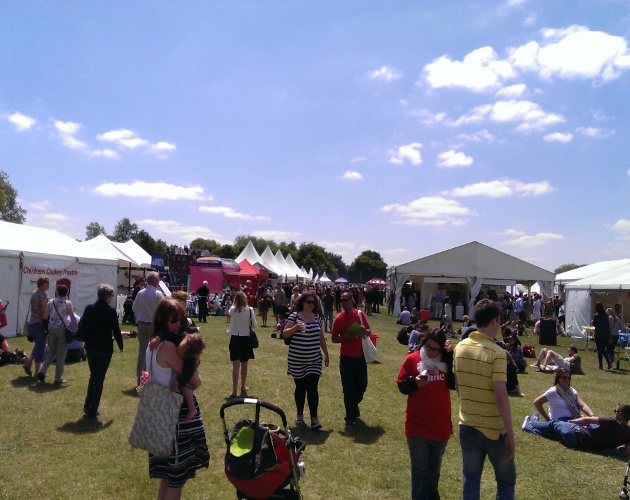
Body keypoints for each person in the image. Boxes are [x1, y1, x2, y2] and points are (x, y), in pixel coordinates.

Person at [453, 298, 516, 499]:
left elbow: (458, 386)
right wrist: (511, 433)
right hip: (495, 430)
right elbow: (500, 395)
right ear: (495, 321)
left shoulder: (460, 347)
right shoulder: (497, 353)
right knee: (505, 482)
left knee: (470, 483)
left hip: (468, 424)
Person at [148, 298, 209, 498]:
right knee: (177, 477)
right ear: (163, 320)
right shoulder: (168, 347)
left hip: (158, 409)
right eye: (174, 320)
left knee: (167, 475)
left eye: (180, 320)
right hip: (174, 413)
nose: (178, 325)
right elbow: (195, 380)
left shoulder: (153, 344)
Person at [397, 329, 455, 500]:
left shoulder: (446, 362)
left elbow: (452, 384)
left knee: (433, 473)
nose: (430, 352)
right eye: (428, 347)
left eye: (435, 349)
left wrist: (450, 357)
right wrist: (413, 383)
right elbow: (401, 386)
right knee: (420, 471)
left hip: (440, 427)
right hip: (417, 425)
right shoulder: (413, 359)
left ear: (441, 350)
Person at [282, 291, 330, 430]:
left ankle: (314, 418)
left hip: (314, 359)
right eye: (308, 302)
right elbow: (285, 333)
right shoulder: (294, 316)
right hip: (296, 360)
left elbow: (321, 337)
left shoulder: (317, 318)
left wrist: (326, 354)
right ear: (302, 302)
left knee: (312, 387)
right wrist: (296, 327)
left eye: (313, 302)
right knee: (300, 388)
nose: (311, 304)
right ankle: (300, 414)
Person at [79, 284, 124, 417]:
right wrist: (120, 344)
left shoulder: (89, 308)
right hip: (104, 347)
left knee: (93, 375)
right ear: (107, 296)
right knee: (99, 378)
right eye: (111, 296)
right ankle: (93, 407)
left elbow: (82, 324)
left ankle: (88, 403)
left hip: (91, 346)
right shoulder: (110, 311)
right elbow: (116, 330)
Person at [522, 403, 630, 455]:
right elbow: (627, 451)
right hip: (582, 444)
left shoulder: (611, 422)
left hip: (575, 433)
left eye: (615, 411)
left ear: (620, 414)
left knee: (555, 423)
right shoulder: (628, 433)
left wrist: (573, 422)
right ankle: (529, 428)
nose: (614, 413)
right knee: (556, 435)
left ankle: (534, 422)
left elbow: (587, 420)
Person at [331, 290, 371, 427]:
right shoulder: (339, 319)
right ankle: (350, 417)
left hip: (360, 357)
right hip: (346, 359)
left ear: (352, 300)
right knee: (348, 389)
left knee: (362, 386)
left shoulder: (360, 315)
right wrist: (346, 337)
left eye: (346, 299)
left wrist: (363, 331)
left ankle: (353, 406)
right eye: (342, 300)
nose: (344, 302)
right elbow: (334, 338)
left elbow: (369, 330)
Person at [37, 284, 78, 384]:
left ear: (57, 292)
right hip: (62, 328)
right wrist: (77, 328)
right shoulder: (67, 303)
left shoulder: (51, 302)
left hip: (51, 328)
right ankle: (58, 377)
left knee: (51, 351)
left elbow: (45, 316)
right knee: (61, 353)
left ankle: (42, 371)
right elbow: (72, 317)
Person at [527, 369, 594, 426]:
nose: (567, 380)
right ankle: (533, 423)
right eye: (564, 377)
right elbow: (537, 402)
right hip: (559, 420)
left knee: (594, 424)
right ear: (558, 378)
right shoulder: (553, 391)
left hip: (574, 418)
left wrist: (592, 416)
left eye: (568, 378)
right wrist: (547, 419)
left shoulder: (572, 391)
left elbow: (582, 405)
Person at [133, 272, 164, 386]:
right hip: (153, 326)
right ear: (155, 281)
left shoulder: (140, 293)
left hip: (141, 324)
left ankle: (141, 381)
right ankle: (150, 380)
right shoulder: (158, 294)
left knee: (142, 353)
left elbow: (134, 308)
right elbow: (163, 311)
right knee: (153, 354)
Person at [227, 291, 256, 398]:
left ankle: (234, 390)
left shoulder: (232, 310)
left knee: (235, 365)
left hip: (234, 338)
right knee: (244, 364)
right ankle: (243, 386)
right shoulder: (250, 310)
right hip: (245, 339)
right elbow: (255, 325)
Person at [23, 276, 50, 377]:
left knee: (38, 344)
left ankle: (28, 362)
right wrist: (46, 323)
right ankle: (37, 372)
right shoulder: (43, 295)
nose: (48, 285)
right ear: (43, 284)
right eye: (47, 283)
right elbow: (44, 311)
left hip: (32, 323)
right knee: (41, 347)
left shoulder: (34, 293)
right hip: (39, 323)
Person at [592, 301, 613, 370]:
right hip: (605, 335)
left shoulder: (596, 316)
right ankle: (608, 361)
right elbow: (607, 326)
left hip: (598, 334)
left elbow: (594, 324)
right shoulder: (606, 316)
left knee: (600, 350)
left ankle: (601, 365)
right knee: (603, 350)